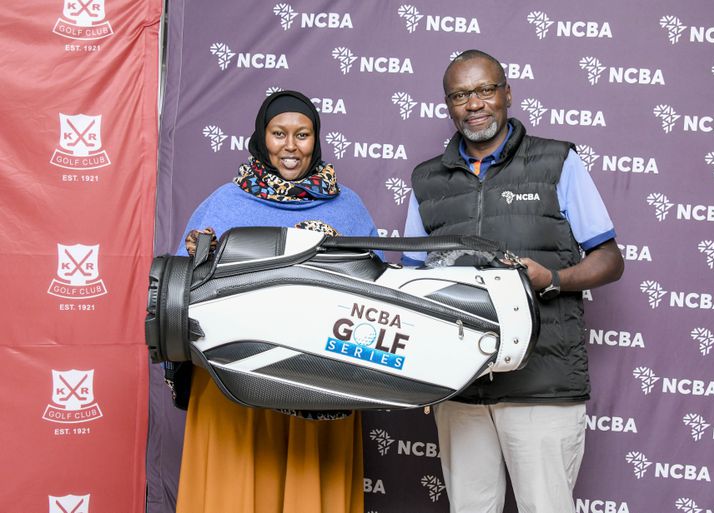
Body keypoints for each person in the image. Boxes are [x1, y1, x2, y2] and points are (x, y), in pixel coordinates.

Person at [402, 50, 624, 513]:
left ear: (506, 93)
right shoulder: (426, 180)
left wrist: (553, 278)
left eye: (485, 89)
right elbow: (411, 280)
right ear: (448, 105)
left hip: (541, 383)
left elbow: (609, 259)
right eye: (461, 95)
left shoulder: (557, 161)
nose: (475, 103)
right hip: (460, 385)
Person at [174, 90, 377, 513]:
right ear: (261, 138)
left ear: (315, 140)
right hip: (233, 377)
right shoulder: (224, 203)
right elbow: (179, 293)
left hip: (318, 380)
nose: (290, 146)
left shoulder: (348, 209)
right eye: (278, 133)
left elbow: (376, 290)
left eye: (302, 135)